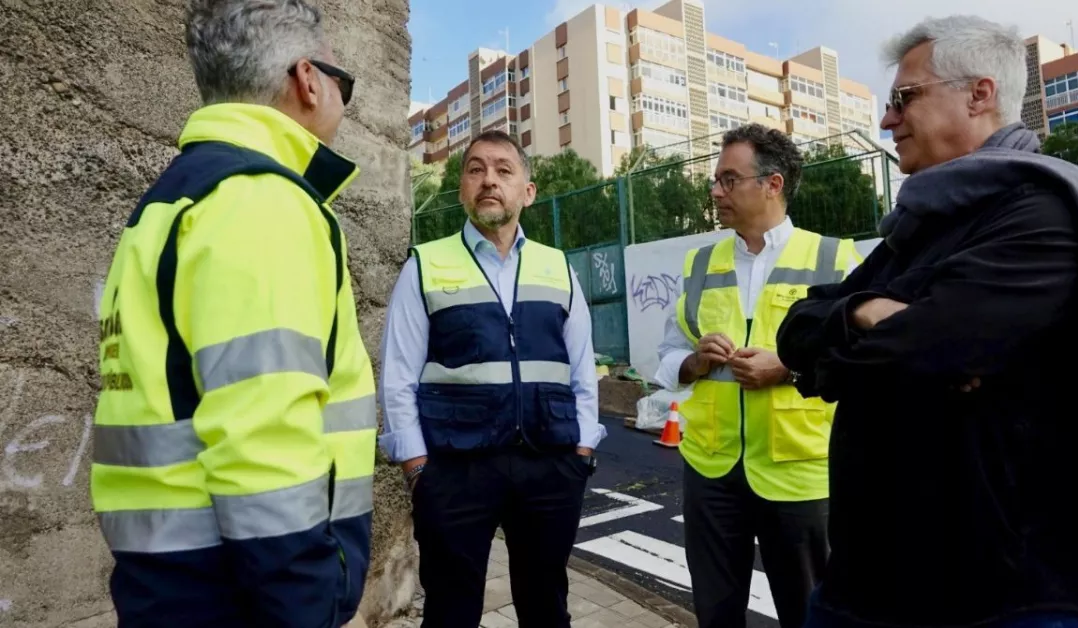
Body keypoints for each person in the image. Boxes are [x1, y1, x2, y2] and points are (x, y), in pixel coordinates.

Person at [776, 15, 1078, 628]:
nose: (887, 120)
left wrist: (859, 332)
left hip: (1010, 596)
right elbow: (796, 327)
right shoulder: (914, 227)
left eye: (903, 99)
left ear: (980, 93)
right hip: (865, 587)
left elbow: (924, 352)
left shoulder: (1045, 210)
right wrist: (861, 311)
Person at [89, 1, 377, 626]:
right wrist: (310, 606)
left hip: (173, 582)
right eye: (341, 83)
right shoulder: (261, 203)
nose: (340, 100)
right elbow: (262, 444)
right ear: (307, 79)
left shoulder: (169, 203)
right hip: (243, 596)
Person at [378, 129, 605, 628]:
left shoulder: (558, 267)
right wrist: (418, 467)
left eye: (504, 170)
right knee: (452, 611)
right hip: (456, 469)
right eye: (475, 169)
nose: (489, 180)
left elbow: (583, 368)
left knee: (547, 605)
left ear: (527, 190)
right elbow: (397, 376)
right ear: (461, 189)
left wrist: (582, 449)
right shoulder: (426, 266)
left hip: (549, 465)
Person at [653, 123, 861, 628]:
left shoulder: (834, 259)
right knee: (716, 612)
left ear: (772, 184)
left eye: (728, 179)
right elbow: (666, 355)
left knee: (810, 613)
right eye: (716, 180)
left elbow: (863, 363)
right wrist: (695, 362)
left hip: (800, 474)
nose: (715, 191)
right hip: (711, 470)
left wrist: (787, 368)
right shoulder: (701, 263)